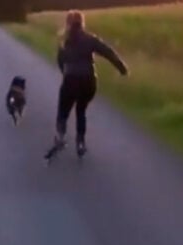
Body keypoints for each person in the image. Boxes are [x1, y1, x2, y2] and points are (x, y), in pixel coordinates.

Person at [54, 10, 128, 156]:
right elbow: (108, 52)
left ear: (67, 23)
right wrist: (122, 68)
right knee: (81, 111)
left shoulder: (63, 40)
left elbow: (60, 61)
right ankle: (80, 142)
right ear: (82, 23)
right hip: (89, 81)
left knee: (63, 110)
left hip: (71, 80)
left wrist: (65, 72)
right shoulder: (91, 39)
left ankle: (61, 137)